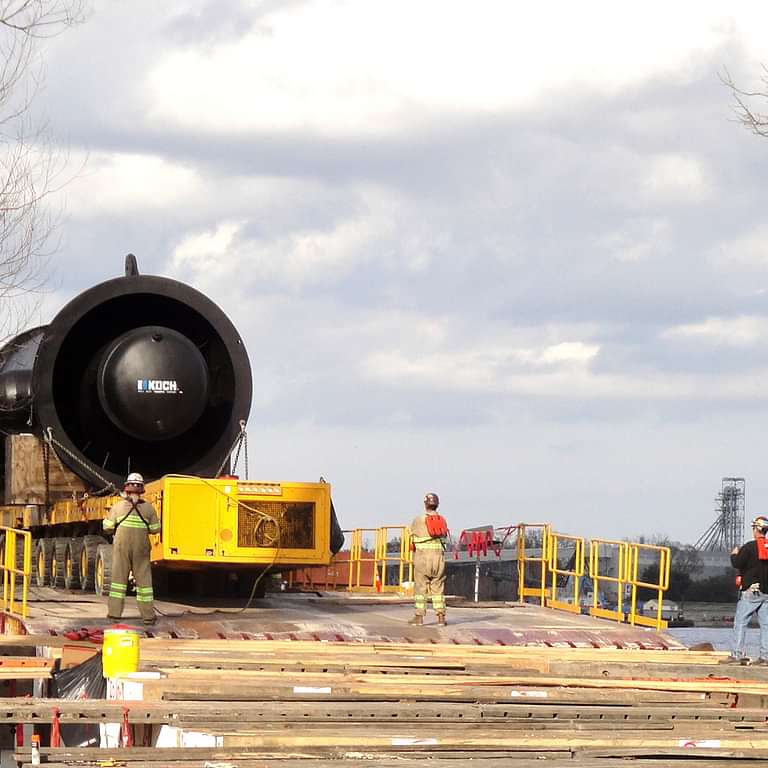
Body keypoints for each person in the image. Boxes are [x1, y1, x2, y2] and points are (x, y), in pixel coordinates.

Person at [103, 472, 161, 625]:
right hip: (141, 547)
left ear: (126, 489)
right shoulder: (149, 509)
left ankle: (114, 614)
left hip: (122, 546)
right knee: (144, 582)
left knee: (118, 581)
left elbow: (107, 527)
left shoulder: (118, 506)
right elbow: (156, 529)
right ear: (142, 490)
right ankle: (148, 616)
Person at [724, 516, 768, 665]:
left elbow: (737, 563)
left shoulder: (749, 547)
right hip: (766, 593)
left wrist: (734, 554)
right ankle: (765, 657)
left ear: (756, 529)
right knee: (766, 625)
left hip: (751, 591)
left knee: (740, 622)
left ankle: (736, 655)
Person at [408, 492, 448, 626]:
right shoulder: (442, 520)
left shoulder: (418, 520)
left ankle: (419, 617)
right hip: (439, 560)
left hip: (423, 559)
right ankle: (441, 617)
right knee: (438, 589)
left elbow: (411, 537)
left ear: (425, 504)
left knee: (421, 588)